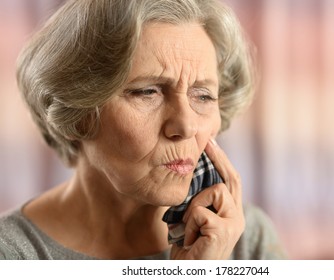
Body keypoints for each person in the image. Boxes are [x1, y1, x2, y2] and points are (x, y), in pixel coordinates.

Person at [0, 0, 287, 260]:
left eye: (203, 96)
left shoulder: (246, 239)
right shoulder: (12, 253)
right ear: (78, 113)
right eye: (147, 92)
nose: (186, 126)